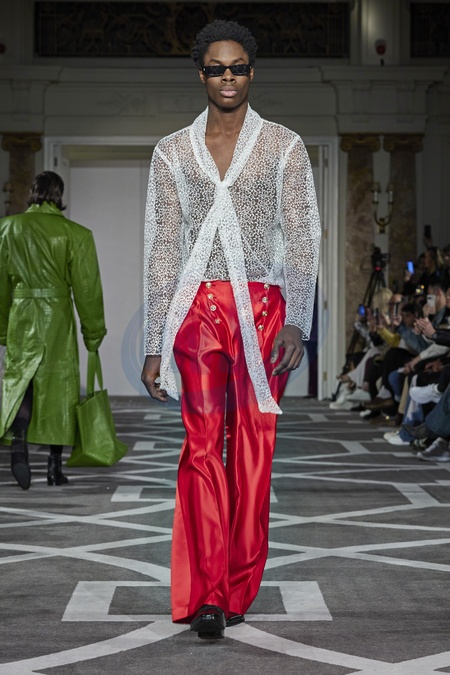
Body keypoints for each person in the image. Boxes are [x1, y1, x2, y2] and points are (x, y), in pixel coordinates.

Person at [141, 20, 320, 640]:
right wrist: (154, 342)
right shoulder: (171, 151)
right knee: (200, 448)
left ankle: (239, 586)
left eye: (238, 67)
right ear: (201, 74)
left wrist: (297, 319)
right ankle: (208, 595)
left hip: (264, 311)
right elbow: (163, 248)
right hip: (196, 315)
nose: (227, 77)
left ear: (251, 72)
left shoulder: (283, 145)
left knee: (252, 452)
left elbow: (303, 235)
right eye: (216, 68)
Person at [0, 171, 106, 489]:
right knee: (60, 389)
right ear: (59, 195)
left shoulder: (7, 229)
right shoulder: (76, 234)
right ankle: (53, 468)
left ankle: (19, 441)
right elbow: (87, 289)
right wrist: (93, 332)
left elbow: (1, 287)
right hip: (57, 318)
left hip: (21, 314)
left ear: (32, 193)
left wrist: (3, 330)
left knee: (23, 384)